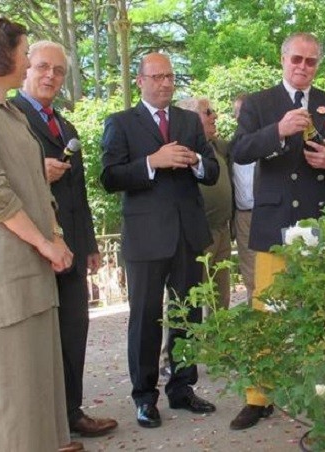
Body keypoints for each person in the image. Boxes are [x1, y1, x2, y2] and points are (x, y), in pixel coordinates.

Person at [229, 31, 325, 430]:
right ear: (283, 59)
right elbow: (239, 150)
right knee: (266, 314)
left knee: (323, 309)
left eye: (311, 61)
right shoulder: (259, 103)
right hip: (272, 223)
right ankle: (259, 397)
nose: (303, 67)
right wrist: (279, 130)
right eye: (297, 60)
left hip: (318, 224)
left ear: (317, 65)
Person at [0, 17, 82, 452]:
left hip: (32, 272)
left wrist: (54, 234)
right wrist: (43, 241)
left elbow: (31, 184)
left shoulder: (8, 110)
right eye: (23, 52)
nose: (27, 62)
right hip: (4, 277)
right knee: (12, 401)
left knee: (37, 392)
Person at [100, 53, 219, 428]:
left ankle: (183, 388)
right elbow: (109, 177)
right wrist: (153, 161)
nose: (166, 83)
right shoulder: (120, 123)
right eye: (157, 77)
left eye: (170, 76)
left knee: (188, 314)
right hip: (146, 238)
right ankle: (144, 397)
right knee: (146, 319)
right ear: (140, 81)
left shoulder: (188, 121)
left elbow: (212, 170)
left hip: (187, 234)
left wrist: (196, 162)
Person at [11, 40, 118, 438]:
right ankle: (42, 422)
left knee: (75, 331)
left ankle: (72, 412)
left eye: (58, 71)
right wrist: (35, 170)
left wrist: (89, 243)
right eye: (42, 67)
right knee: (36, 340)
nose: (50, 76)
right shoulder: (8, 116)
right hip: (30, 245)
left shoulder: (66, 125)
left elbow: (78, 193)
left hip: (70, 247)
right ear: (25, 69)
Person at [177, 96, 233, 309]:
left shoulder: (217, 147)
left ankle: (216, 342)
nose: (215, 116)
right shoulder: (182, 148)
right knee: (190, 298)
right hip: (196, 234)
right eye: (208, 112)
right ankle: (183, 342)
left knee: (220, 299)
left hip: (222, 231)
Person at [231, 93, 257, 302]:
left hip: (269, 214)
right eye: (237, 114)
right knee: (250, 274)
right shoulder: (230, 146)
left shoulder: (269, 140)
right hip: (243, 218)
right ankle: (258, 325)